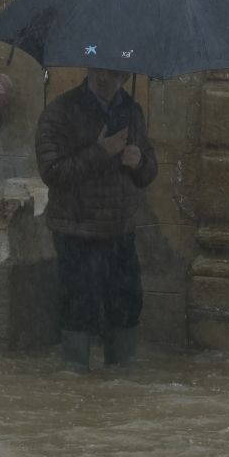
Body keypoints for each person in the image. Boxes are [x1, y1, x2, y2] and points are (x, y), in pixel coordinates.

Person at [35, 67, 157, 371]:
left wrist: (139, 161)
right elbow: (52, 172)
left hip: (120, 228)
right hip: (76, 229)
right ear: (89, 70)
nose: (106, 78)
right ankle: (75, 378)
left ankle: (120, 379)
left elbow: (149, 171)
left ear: (126, 77)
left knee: (127, 304)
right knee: (79, 305)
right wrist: (101, 150)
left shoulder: (132, 111)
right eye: (100, 70)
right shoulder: (60, 112)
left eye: (115, 73)